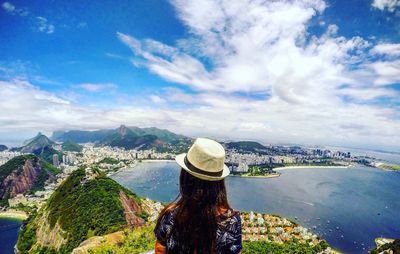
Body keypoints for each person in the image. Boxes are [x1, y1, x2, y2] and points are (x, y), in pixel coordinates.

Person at [154, 138, 242, 254]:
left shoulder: (170, 216)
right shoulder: (232, 221)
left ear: (185, 178)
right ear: (219, 183)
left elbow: (160, 250)